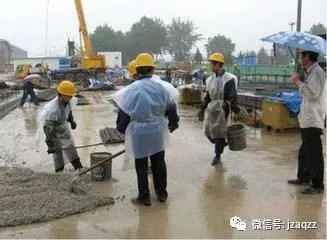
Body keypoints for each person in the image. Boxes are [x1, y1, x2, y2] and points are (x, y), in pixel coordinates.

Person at [113, 53, 180, 206]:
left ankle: (144, 197)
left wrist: (122, 130)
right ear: (152, 69)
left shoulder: (130, 90)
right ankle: (162, 194)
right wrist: (173, 123)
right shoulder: (162, 88)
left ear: (137, 69)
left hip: (139, 132)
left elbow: (123, 114)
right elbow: (171, 108)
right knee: (159, 162)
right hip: (157, 130)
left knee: (141, 165)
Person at [288, 50, 325, 194]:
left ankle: (317, 185)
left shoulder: (317, 72)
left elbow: (313, 93)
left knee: (314, 153)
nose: (300, 59)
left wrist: (298, 82)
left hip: (313, 119)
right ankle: (303, 177)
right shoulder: (311, 72)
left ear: (307, 57)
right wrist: (300, 80)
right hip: (307, 118)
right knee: (304, 151)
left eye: (301, 56)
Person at [198, 53, 240, 166]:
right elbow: (208, 95)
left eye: (212, 63)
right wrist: (202, 108)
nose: (211, 66)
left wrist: (236, 109)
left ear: (218, 64)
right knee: (208, 131)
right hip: (212, 107)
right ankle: (220, 143)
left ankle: (217, 156)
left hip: (222, 108)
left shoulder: (229, 79)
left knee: (219, 132)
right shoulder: (210, 79)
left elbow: (233, 95)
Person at [42, 80, 83, 172]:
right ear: (62, 94)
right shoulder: (52, 109)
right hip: (54, 131)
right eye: (69, 95)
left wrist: (71, 120)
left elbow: (69, 110)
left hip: (63, 128)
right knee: (57, 152)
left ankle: (79, 168)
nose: (71, 97)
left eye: (72, 95)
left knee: (70, 148)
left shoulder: (68, 101)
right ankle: (59, 172)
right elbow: (47, 127)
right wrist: (50, 143)